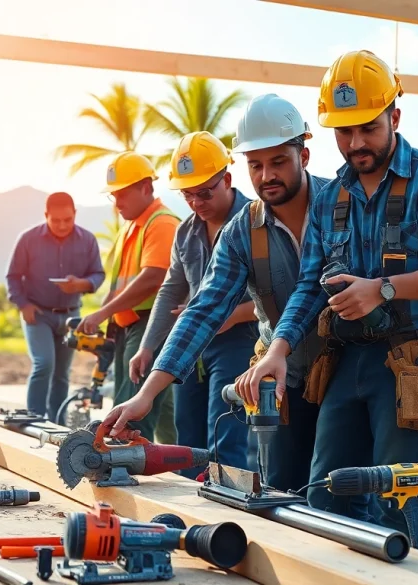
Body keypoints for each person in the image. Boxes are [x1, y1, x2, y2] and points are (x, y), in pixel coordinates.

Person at [221, 50, 418, 553]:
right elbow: (311, 286)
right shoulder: (333, 196)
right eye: (344, 131)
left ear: (395, 118)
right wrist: (278, 349)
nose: (356, 143)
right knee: (328, 496)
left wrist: (383, 288)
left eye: (367, 127)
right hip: (347, 361)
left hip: (413, 361)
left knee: (398, 501)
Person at [100, 94, 330, 491]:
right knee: (279, 483)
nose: (266, 175)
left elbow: (312, 289)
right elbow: (197, 306)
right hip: (280, 367)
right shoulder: (235, 229)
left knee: (335, 487)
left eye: (278, 162)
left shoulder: (338, 207)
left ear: (303, 156)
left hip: (317, 360)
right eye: (256, 165)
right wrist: (148, 390)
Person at [131, 131, 260, 477]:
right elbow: (170, 291)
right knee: (187, 440)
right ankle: (193, 516)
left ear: (227, 180)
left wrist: (233, 315)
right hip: (193, 349)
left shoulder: (255, 221)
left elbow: (283, 294)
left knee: (227, 437)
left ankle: (231, 521)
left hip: (241, 343)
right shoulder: (186, 233)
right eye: (188, 195)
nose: (197, 202)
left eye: (205, 193)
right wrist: (148, 346)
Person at [76, 152, 181, 443]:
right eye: (114, 195)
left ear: (146, 187)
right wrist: (107, 319)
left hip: (150, 325)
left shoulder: (161, 224)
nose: (117, 202)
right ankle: (183, 467)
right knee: (162, 410)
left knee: (131, 411)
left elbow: (153, 278)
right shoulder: (131, 226)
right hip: (128, 326)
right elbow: (119, 283)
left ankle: (129, 469)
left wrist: (100, 313)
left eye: (122, 194)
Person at [6, 191, 104, 419]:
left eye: (68, 220)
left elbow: (98, 275)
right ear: (46, 215)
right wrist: (23, 304)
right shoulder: (28, 239)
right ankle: (34, 419)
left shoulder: (88, 240)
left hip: (71, 316)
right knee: (44, 364)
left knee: (62, 374)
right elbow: (12, 276)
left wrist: (82, 283)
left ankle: (56, 423)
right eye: (56, 220)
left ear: (75, 214)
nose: (62, 225)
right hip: (37, 314)